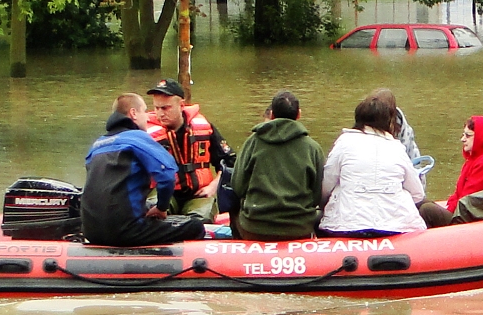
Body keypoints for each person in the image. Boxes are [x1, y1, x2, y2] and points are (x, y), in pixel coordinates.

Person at [81, 93, 206, 246]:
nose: (148, 118)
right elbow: (167, 174)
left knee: (146, 207)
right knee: (195, 226)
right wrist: (162, 207)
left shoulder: (96, 145)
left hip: (91, 232)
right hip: (126, 231)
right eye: (144, 111)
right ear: (133, 113)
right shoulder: (137, 138)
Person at [318, 89, 427, 237]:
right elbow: (417, 193)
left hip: (346, 225)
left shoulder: (344, 142)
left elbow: (326, 185)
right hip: (395, 226)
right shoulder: (397, 147)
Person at [231, 91, 325, 240]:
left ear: (272, 114)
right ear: (299, 114)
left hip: (255, 227)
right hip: (299, 228)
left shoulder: (252, 142)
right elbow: (317, 195)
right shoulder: (313, 148)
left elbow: (237, 185)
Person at [146, 78, 237, 223]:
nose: (160, 114)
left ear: (181, 105)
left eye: (165, 108)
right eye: (157, 108)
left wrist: (213, 187)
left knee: (202, 219)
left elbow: (230, 162)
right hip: (164, 193)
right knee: (151, 210)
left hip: (198, 194)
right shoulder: (146, 133)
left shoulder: (204, 128)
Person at [418, 116, 483, 227]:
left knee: (427, 210)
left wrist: (450, 212)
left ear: (481, 137)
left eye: (468, 135)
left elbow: (470, 200)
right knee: (419, 201)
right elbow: (458, 194)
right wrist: (449, 208)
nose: (463, 139)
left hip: (468, 218)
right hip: (461, 212)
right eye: (463, 135)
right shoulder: (473, 159)